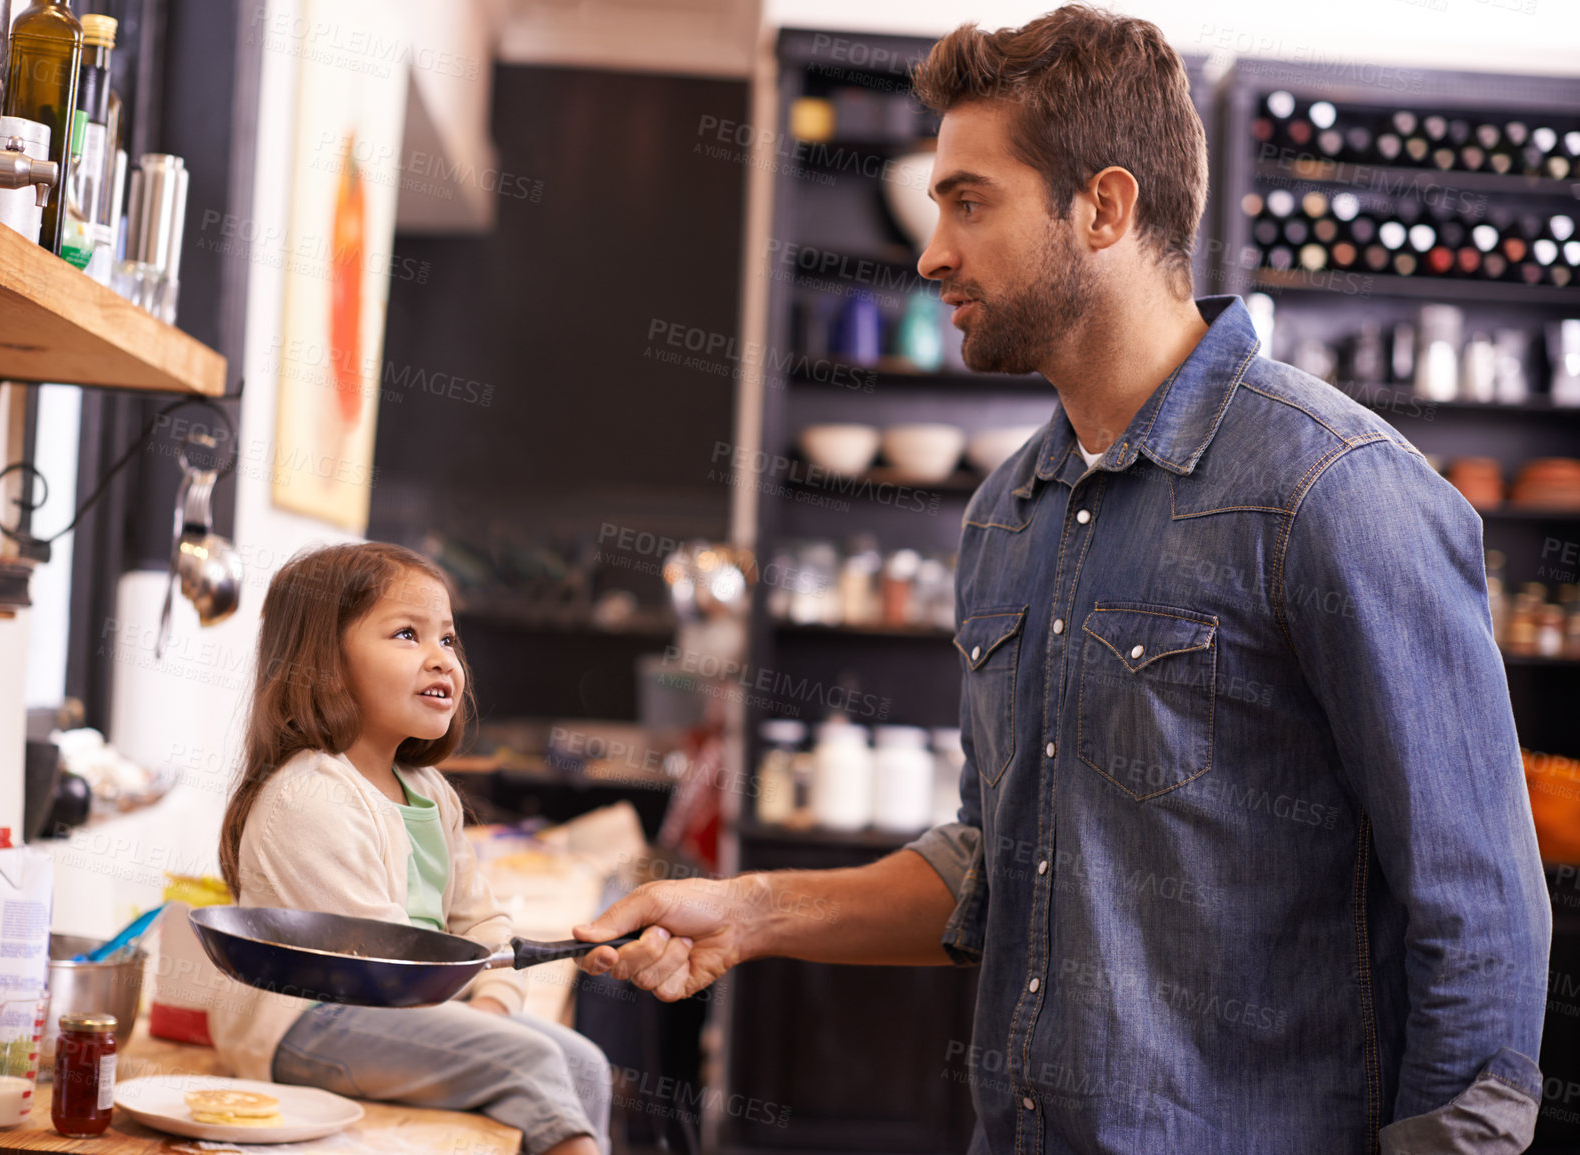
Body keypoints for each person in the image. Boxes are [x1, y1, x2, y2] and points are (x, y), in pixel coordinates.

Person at [574, 7, 1551, 1153]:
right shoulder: (1007, 513)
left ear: (1106, 207)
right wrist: (748, 912)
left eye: (969, 201)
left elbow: (1479, 917)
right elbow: (1000, 861)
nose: (932, 251)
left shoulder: (1335, 492)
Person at [207, 542, 611, 1155]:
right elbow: (379, 966)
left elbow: (484, 924)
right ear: (324, 664)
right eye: (405, 635)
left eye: (447, 639)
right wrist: (477, 1028)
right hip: (311, 1024)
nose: (440, 660)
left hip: (407, 1012)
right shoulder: (310, 796)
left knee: (583, 1065)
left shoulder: (431, 793)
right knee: (528, 1060)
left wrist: (494, 1007)